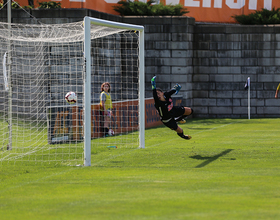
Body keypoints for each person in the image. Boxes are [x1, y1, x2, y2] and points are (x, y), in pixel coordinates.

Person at [151, 76, 193, 140]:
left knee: (190, 111)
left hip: (173, 110)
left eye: (158, 93)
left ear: (162, 93)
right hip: (167, 119)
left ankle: (178, 119)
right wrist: (153, 87)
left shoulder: (166, 95)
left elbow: (173, 89)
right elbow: (155, 97)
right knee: (180, 130)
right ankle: (183, 136)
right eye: (156, 94)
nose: (157, 95)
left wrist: (178, 87)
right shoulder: (158, 103)